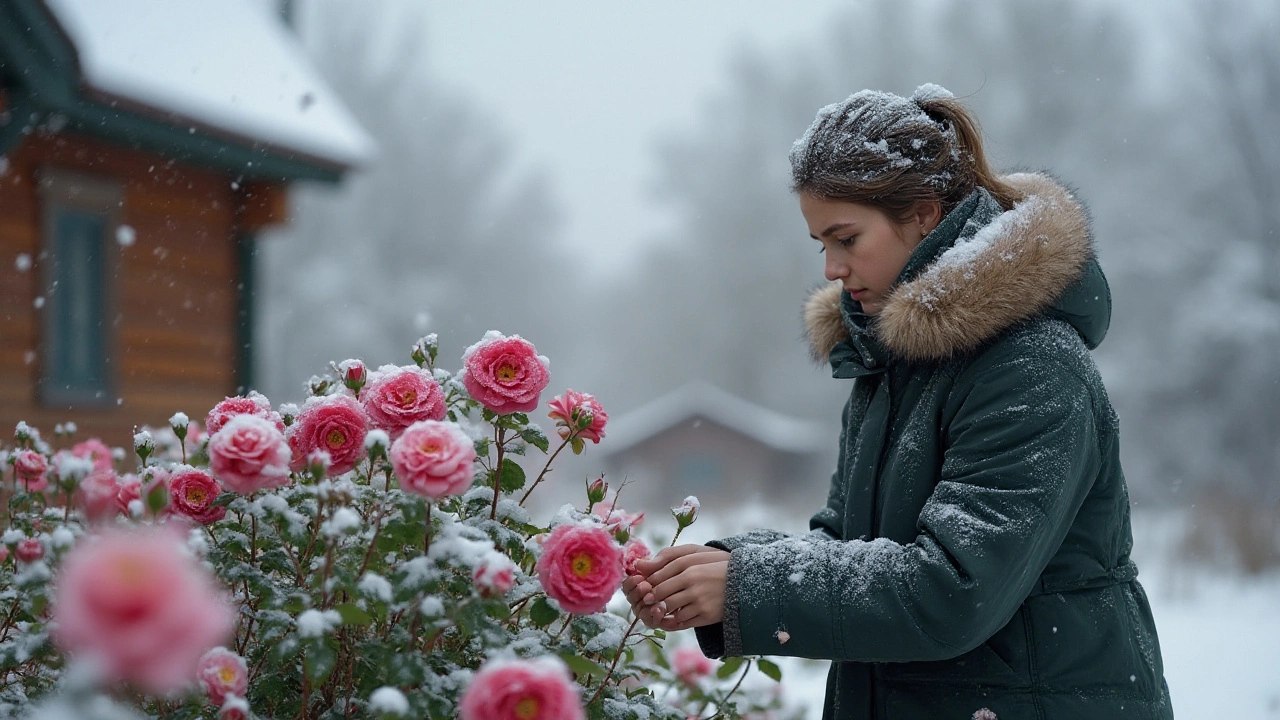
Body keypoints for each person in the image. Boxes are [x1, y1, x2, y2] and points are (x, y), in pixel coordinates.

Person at [622, 85, 1173, 720]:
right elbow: (850, 544)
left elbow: (953, 590)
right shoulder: (891, 363)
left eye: (846, 238)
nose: (830, 268)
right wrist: (724, 569)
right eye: (820, 245)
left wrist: (748, 589)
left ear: (924, 215)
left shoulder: (1032, 366)